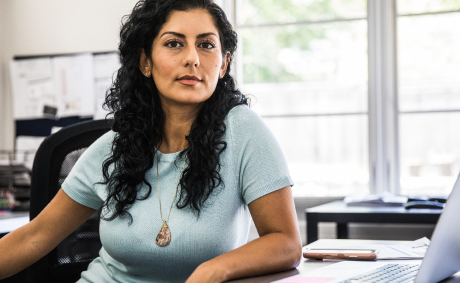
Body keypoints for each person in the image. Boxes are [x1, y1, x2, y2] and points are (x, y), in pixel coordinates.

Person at [0, 0, 302, 282]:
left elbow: (286, 243)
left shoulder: (243, 132)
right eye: (174, 44)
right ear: (146, 62)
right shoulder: (114, 147)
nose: (192, 59)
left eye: (206, 45)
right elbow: (33, 237)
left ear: (223, 65)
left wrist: (216, 269)